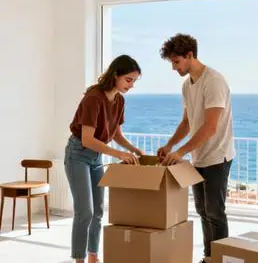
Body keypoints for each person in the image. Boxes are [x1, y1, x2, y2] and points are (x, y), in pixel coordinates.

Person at [156, 33, 236, 263]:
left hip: (217, 156)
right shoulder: (187, 86)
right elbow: (188, 121)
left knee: (215, 213)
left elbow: (210, 127)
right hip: (199, 157)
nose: (173, 67)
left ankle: (221, 259)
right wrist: (170, 145)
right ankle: (209, 257)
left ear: (190, 55)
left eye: (176, 61)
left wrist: (180, 152)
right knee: (202, 211)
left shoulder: (213, 82)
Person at [65, 55, 144, 263]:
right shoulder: (94, 98)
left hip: (97, 156)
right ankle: (79, 259)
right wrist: (119, 154)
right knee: (85, 212)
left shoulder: (119, 100)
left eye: (134, 81)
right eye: (128, 80)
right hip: (78, 155)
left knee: (99, 210)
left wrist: (134, 149)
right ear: (115, 75)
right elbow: (88, 139)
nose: (131, 85)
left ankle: (93, 256)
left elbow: (116, 135)